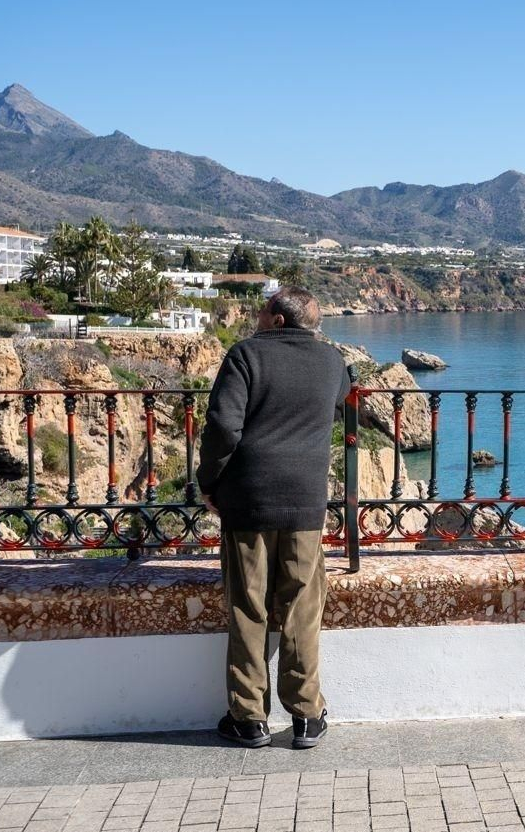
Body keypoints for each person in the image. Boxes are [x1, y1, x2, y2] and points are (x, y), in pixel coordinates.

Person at [198, 287, 352, 749]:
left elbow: (224, 426)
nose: (257, 316)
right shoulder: (330, 361)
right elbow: (345, 391)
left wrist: (209, 483)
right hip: (305, 501)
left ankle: (248, 718)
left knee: (248, 605)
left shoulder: (246, 355)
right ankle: (306, 715)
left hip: (248, 501)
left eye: (263, 310)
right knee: (303, 605)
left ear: (278, 320)